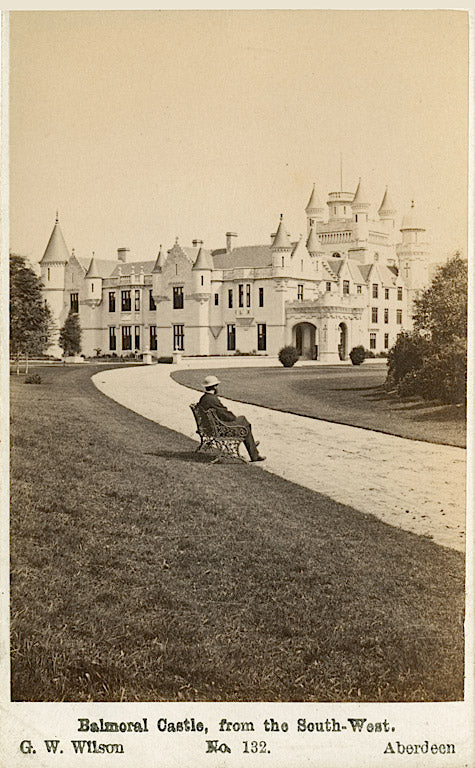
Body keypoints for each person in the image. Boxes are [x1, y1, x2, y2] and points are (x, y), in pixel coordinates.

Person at [198, 375, 266, 462]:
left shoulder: (204, 398)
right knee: (244, 422)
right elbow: (225, 414)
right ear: (214, 387)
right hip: (219, 429)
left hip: (210, 427)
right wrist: (234, 417)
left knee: (243, 422)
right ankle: (253, 451)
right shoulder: (212, 399)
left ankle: (251, 445)